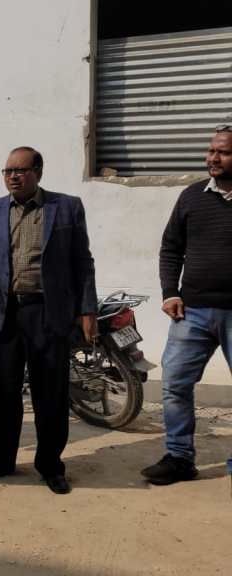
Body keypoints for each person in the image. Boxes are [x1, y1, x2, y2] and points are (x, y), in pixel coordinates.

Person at [0, 146, 97, 495]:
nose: (13, 177)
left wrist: (87, 310)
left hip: (48, 312)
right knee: (2, 393)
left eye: (20, 170)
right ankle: (1, 460)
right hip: (2, 312)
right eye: (7, 171)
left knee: (50, 393)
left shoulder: (66, 207)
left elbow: (82, 261)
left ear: (38, 172)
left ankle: (50, 465)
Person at [141, 126, 232, 486]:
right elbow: (171, 248)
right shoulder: (192, 196)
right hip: (191, 311)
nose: (213, 158)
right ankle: (179, 459)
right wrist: (170, 292)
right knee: (175, 384)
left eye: (223, 152)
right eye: (211, 150)